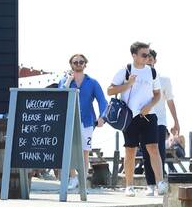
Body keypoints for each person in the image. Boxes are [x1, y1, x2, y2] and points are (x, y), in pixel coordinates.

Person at [107, 42, 166, 197]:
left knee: (153, 148)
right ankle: (129, 186)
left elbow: (158, 94)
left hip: (149, 115)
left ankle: (160, 183)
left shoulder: (152, 72)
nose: (147, 57)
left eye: (148, 55)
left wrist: (149, 105)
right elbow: (110, 90)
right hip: (129, 116)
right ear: (134, 55)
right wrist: (128, 84)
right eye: (144, 55)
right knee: (130, 150)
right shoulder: (125, 70)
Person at [58, 53, 107, 186]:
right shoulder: (64, 81)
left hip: (87, 121)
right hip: (69, 120)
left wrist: (102, 117)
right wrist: (68, 81)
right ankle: (73, 177)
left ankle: (83, 180)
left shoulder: (93, 82)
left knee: (85, 152)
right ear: (71, 65)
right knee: (68, 149)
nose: (78, 64)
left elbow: (103, 101)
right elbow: (60, 96)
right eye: (75, 62)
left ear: (85, 64)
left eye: (81, 62)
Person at [139, 48, 179, 196]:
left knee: (159, 153)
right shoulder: (138, 79)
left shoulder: (164, 80)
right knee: (145, 153)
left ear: (155, 60)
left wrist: (176, 121)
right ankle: (150, 185)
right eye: (145, 57)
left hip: (159, 121)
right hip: (142, 120)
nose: (148, 60)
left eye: (151, 58)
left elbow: (170, 101)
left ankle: (159, 183)